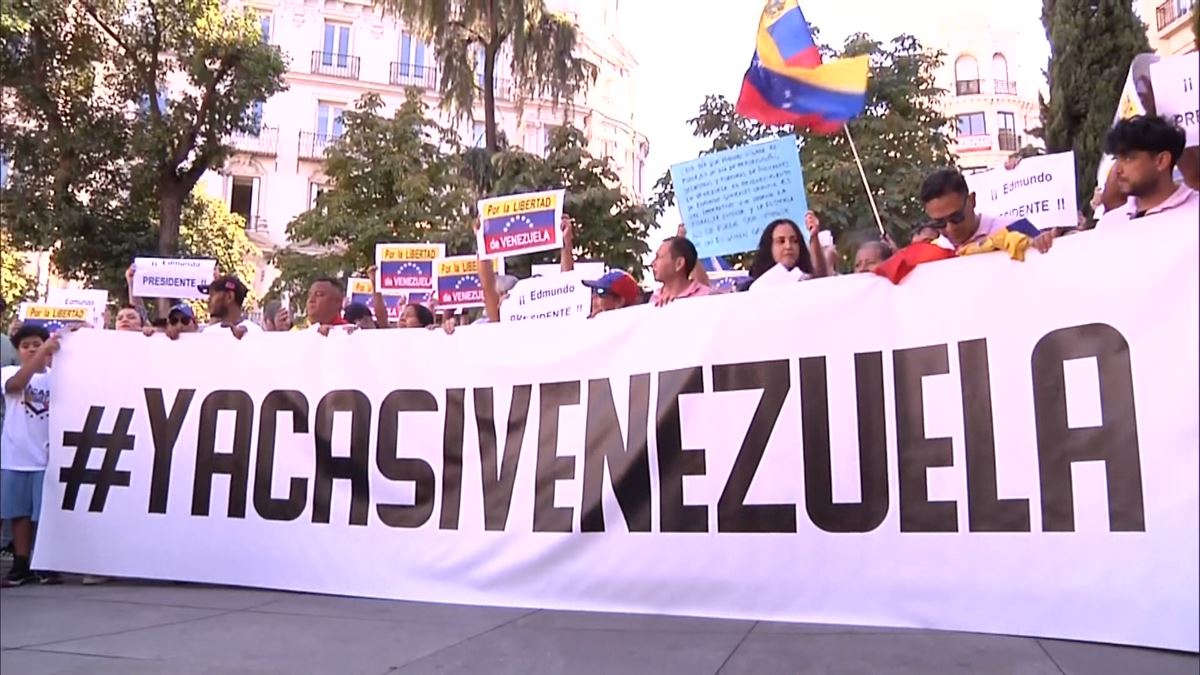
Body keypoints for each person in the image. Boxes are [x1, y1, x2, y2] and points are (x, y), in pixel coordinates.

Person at [1, 324, 61, 586]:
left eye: (37, 344)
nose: (32, 349)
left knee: (45, 515)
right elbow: (15, 386)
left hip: (47, 459)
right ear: (18, 351)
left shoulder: (57, 376)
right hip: (16, 457)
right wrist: (41, 354)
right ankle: (21, 563)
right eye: (26, 346)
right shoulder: (9, 372)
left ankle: (45, 562)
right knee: (20, 514)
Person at [920, 168, 1054, 254]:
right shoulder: (932, 253)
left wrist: (1043, 242)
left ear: (972, 200)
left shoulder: (1016, 228)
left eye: (957, 217)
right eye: (939, 223)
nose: (950, 228)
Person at [1096, 115, 1197, 228]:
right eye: (1116, 158)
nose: (1117, 170)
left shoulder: (1195, 211)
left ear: (1161, 161)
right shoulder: (1109, 225)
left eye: (1128, 158)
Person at [739, 211, 830, 291]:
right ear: (769, 246)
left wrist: (814, 237)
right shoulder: (755, 288)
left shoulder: (805, 280)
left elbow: (820, 280)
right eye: (781, 241)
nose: (788, 246)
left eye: (794, 241)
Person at [650, 233, 711, 306]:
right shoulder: (654, 298)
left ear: (679, 264)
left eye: (658, 257)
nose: (652, 263)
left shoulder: (706, 297)